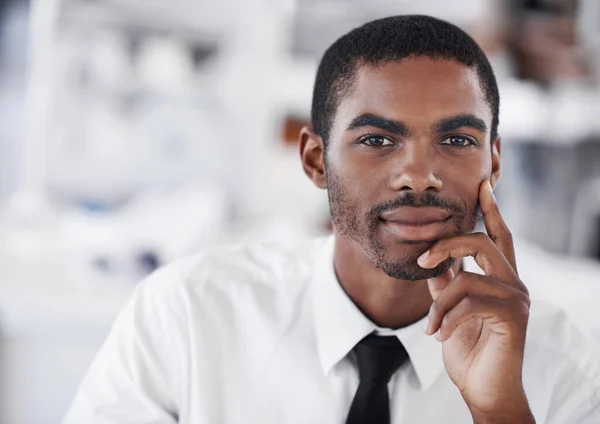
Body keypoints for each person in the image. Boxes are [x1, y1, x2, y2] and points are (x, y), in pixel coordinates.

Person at [63, 15, 600, 423]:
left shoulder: (559, 361)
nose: (419, 175)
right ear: (316, 161)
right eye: (376, 140)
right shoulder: (187, 318)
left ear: (494, 162)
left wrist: (501, 411)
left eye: (457, 140)